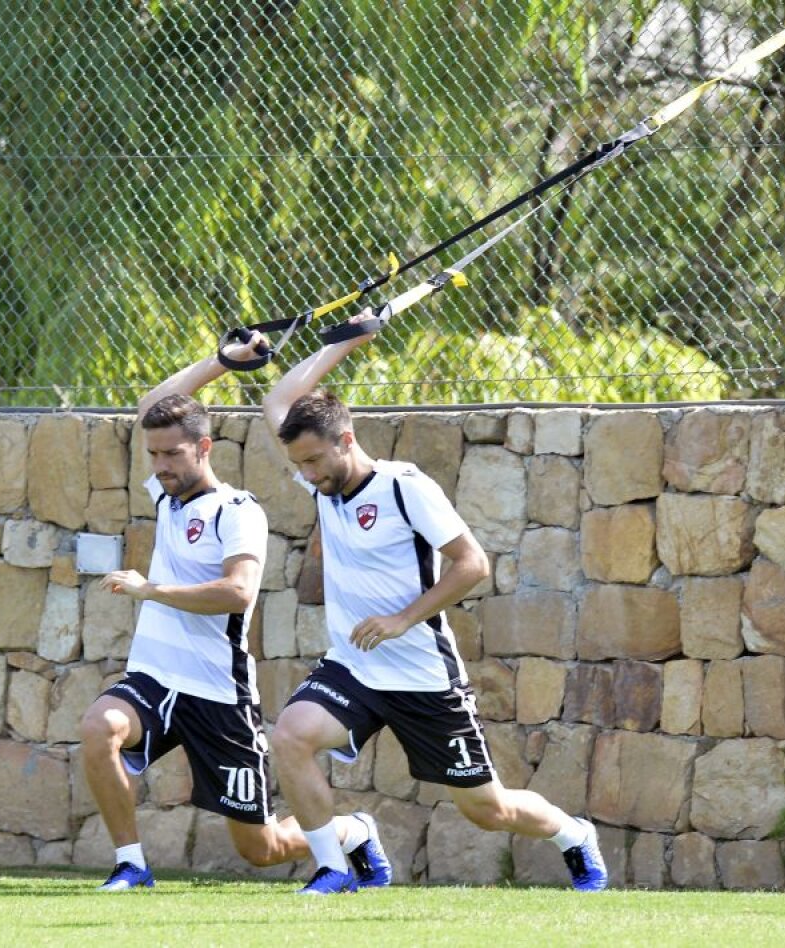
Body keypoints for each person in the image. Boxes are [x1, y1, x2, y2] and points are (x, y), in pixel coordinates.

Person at [260, 324, 608, 894]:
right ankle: (332, 866)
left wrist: (401, 620)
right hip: (354, 666)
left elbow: (472, 564)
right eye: (300, 465)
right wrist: (348, 340)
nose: (308, 476)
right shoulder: (321, 482)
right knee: (292, 736)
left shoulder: (405, 488)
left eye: (316, 461)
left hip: (421, 673)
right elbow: (277, 400)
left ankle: (574, 835)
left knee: (487, 810)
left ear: (347, 440)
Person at [80, 337, 391, 892]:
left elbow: (237, 592)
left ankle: (350, 831)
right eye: (153, 454)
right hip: (155, 679)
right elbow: (153, 402)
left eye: (172, 454)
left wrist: (150, 589)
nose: (160, 465)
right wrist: (223, 363)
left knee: (261, 847)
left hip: (219, 695)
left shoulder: (238, 511)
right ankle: (132, 864)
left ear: (204, 448)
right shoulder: (166, 497)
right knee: (100, 725)